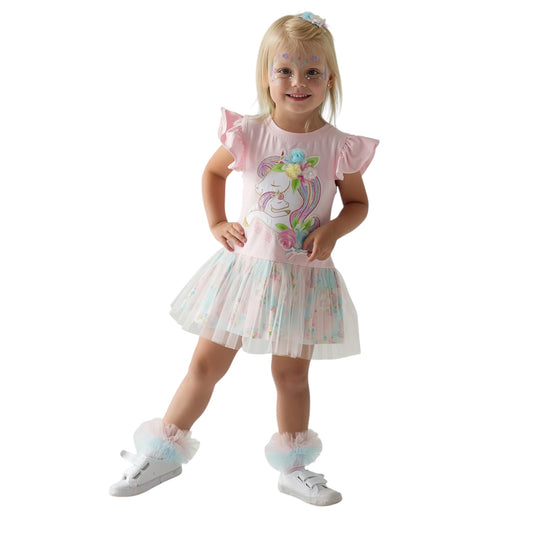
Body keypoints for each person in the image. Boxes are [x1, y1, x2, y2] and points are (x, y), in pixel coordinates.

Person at [109, 11, 379, 506]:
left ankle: (294, 469)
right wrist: (216, 223)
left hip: (301, 278)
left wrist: (334, 230)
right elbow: (213, 174)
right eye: (285, 70)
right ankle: (162, 454)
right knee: (205, 365)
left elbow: (358, 204)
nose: (298, 82)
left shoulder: (338, 147)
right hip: (244, 273)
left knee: (291, 376)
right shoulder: (249, 133)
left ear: (329, 79)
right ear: (267, 77)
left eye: (312, 72)